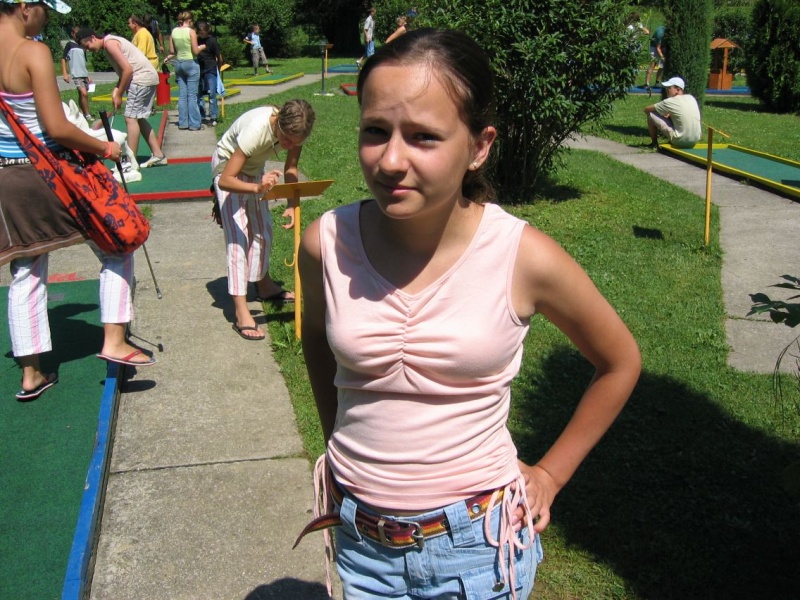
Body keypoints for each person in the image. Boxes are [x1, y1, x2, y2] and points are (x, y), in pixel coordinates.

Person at [297, 28, 641, 600]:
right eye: (375, 131)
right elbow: (314, 337)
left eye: (424, 137)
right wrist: (337, 440)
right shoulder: (326, 244)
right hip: (363, 547)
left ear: (479, 147)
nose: (391, 160)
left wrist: (550, 474)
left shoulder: (522, 257)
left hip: (478, 551)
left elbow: (620, 361)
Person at [1, 0, 156, 401]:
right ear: (24, 7)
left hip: (8, 177)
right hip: (50, 175)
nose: (47, 16)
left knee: (26, 268)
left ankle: (31, 373)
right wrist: (104, 147)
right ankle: (114, 340)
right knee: (116, 245)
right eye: (44, 8)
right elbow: (56, 127)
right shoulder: (32, 51)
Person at [212, 100, 315, 340]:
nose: (289, 145)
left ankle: (264, 285)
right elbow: (226, 180)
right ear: (278, 123)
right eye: (286, 139)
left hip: (253, 169)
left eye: (295, 142)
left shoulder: (297, 132)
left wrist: (291, 203)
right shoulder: (257, 131)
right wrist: (258, 188)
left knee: (264, 233)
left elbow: (291, 167)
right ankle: (241, 312)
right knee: (238, 240)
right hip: (227, 169)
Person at [77, 27, 168, 167]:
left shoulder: (109, 44)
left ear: (93, 38)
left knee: (130, 118)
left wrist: (119, 94)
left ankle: (131, 162)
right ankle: (158, 155)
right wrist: (116, 89)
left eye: (87, 46)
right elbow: (124, 71)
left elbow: (128, 69)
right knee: (138, 118)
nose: (88, 50)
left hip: (141, 78)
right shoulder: (110, 44)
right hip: (147, 77)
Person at [164, 11, 205, 131]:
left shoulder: (174, 31)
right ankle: (194, 124)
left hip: (179, 63)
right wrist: (203, 47)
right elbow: (195, 51)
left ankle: (182, 123)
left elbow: (172, 51)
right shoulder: (191, 32)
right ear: (190, 21)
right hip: (191, 63)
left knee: (182, 95)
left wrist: (167, 58)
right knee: (192, 96)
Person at [643, 76, 702, 149]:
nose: (667, 90)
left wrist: (661, 113)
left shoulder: (671, 101)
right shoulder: (691, 98)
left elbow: (646, 109)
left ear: (677, 89)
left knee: (651, 114)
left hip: (680, 141)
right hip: (695, 140)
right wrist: (670, 114)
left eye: (669, 88)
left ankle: (654, 144)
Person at [60, 25, 92, 121]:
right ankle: (88, 115)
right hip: (76, 74)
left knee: (81, 94)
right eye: (76, 34)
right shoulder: (70, 45)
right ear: (72, 34)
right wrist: (65, 73)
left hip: (83, 74)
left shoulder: (82, 45)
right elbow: (63, 59)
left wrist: (87, 75)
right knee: (84, 93)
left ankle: (81, 112)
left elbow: (83, 61)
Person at [196, 21, 222, 126]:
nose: (201, 34)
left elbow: (219, 56)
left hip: (211, 68)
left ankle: (213, 116)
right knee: (199, 93)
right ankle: (202, 115)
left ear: (207, 31)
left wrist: (218, 68)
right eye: (199, 32)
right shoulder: (196, 40)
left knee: (212, 94)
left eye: (203, 32)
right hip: (200, 69)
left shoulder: (212, 41)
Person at [645, 24, 665, 91]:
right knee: (652, 64)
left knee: (662, 66)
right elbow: (657, 48)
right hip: (654, 46)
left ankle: (657, 82)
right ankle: (647, 84)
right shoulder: (660, 33)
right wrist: (662, 57)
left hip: (662, 46)